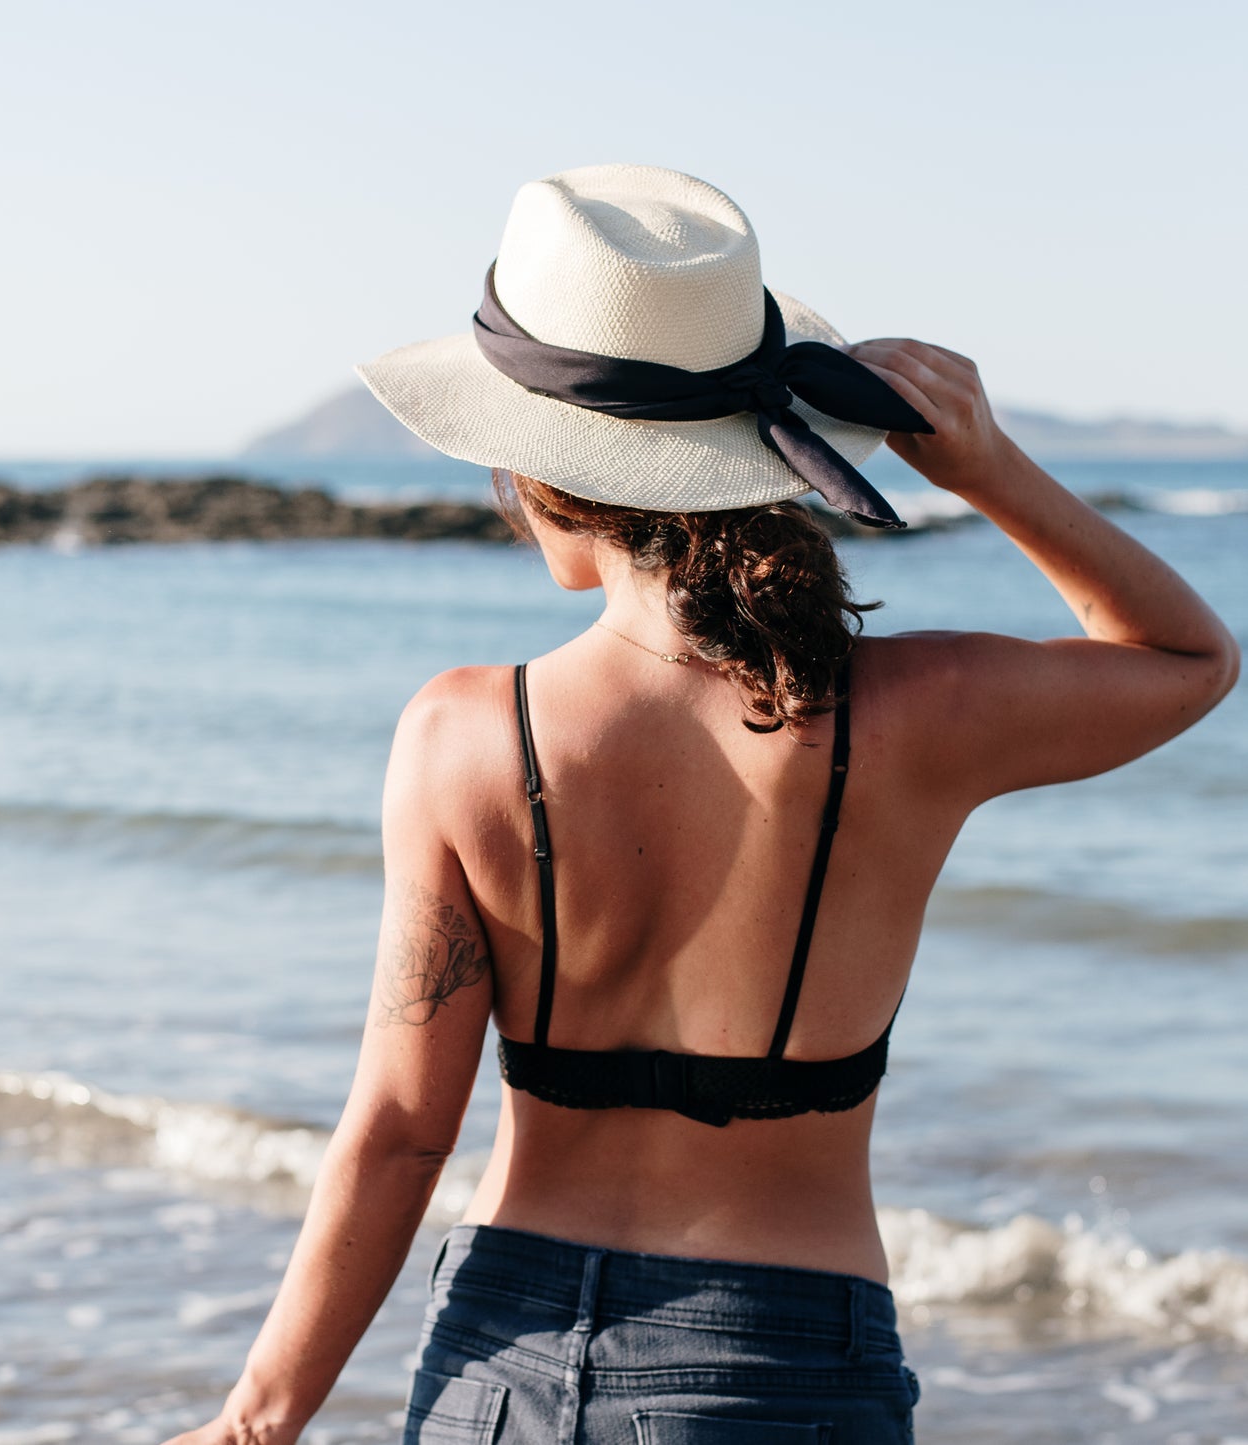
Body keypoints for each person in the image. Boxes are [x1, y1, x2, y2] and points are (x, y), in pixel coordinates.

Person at [163, 165, 1238, 1445]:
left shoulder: (461, 735)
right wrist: (991, 469)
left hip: (496, 1358)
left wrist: (254, 1420)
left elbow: (399, 1134)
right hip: (777, 1369)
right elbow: (1186, 658)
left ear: (546, 477)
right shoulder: (915, 711)